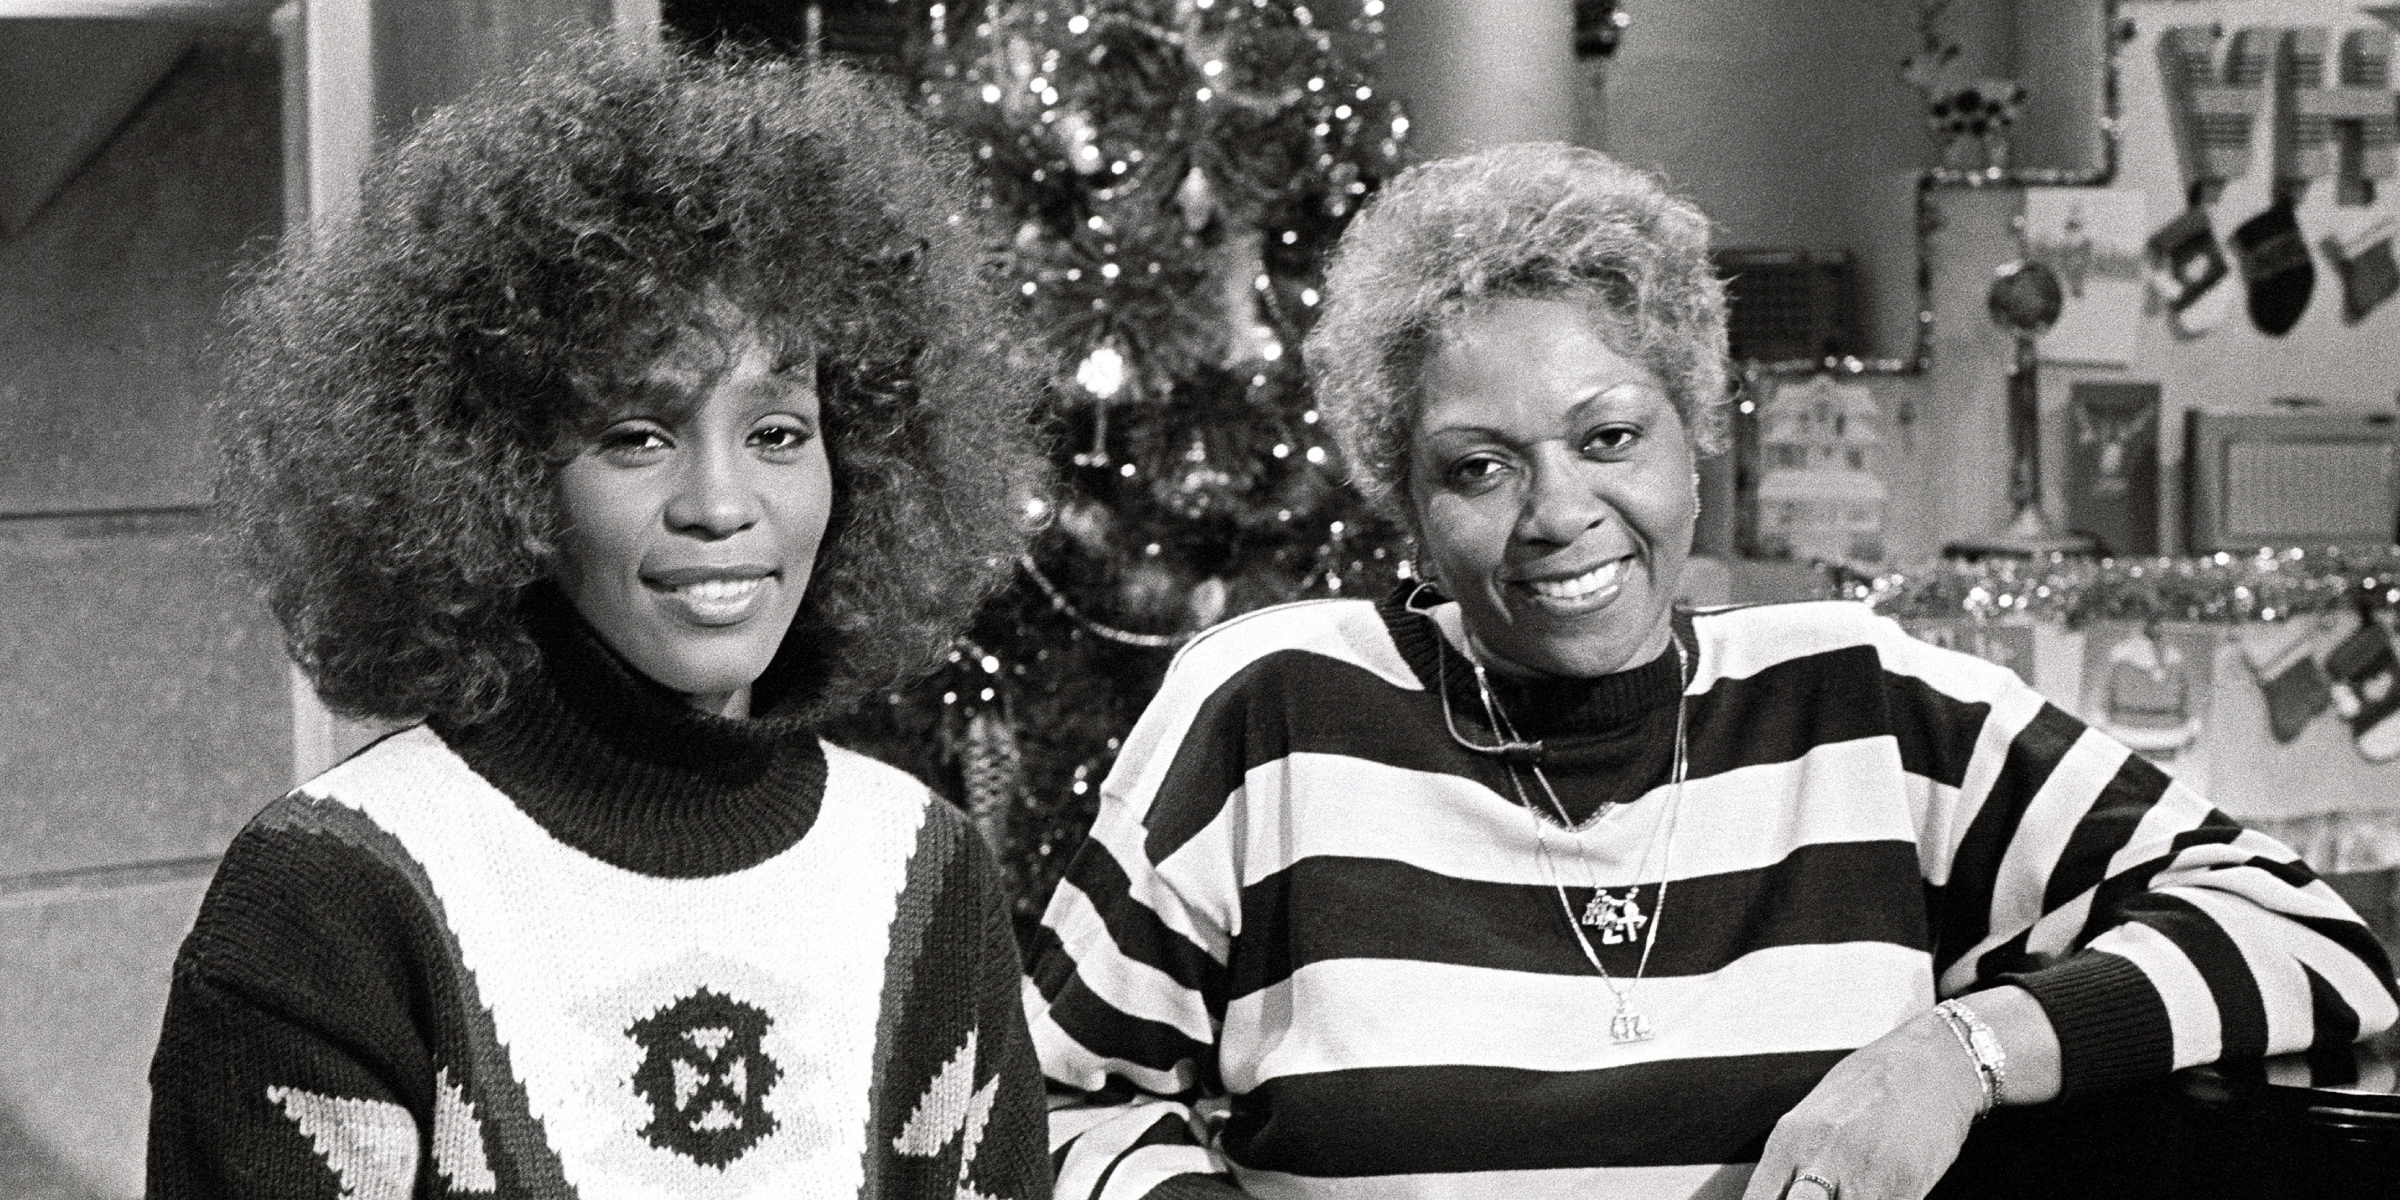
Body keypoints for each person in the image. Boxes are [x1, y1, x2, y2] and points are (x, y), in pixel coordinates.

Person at [1024, 143, 2400, 1200]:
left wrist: (1955, 1054)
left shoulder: (1865, 709)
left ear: (1696, 435)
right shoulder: (1271, 713)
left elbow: (2308, 936)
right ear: (1408, 501)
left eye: (1609, 437)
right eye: (1479, 467)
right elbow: (1048, 1103)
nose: (1558, 511)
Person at [147, 43, 1051, 1200]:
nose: (723, 506)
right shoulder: (338, 896)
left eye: (778, 432)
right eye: (637, 433)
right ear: (503, 476)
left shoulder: (925, 877)